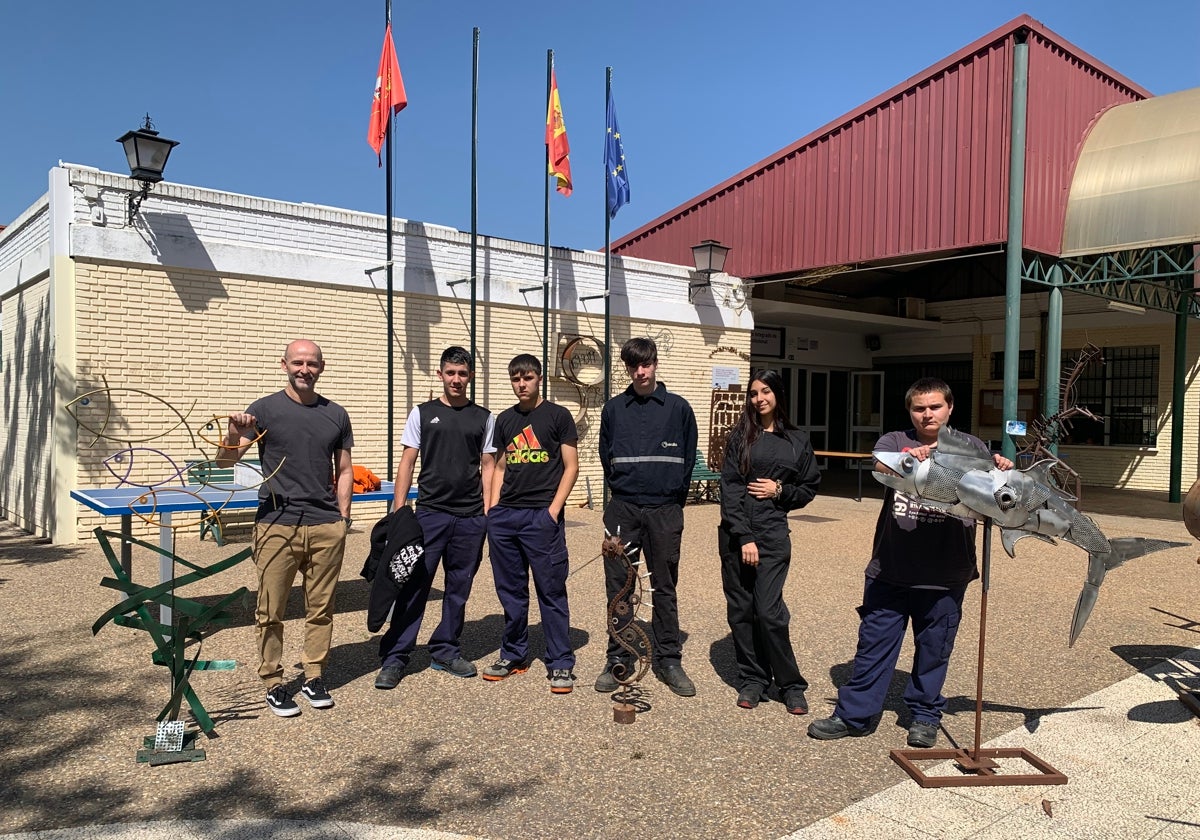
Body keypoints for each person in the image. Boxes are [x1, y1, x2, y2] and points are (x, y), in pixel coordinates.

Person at [807, 377, 1012, 747]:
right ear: (910, 411)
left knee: (934, 649)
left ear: (950, 408)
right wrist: (908, 460)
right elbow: (883, 468)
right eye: (919, 408)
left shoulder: (973, 448)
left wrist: (1001, 471)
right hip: (891, 568)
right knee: (873, 644)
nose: (927, 414)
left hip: (947, 571)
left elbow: (995, 497)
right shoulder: (894, 442)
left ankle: (924, 714)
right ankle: (855, 714)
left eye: (935, 407)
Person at [217, 339, 354, 718]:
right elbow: (226, 462)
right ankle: (273, 682)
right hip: (276, 524)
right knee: (271, 609)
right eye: (298, 362)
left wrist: (343, 518)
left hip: (325, 524)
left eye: (311, 363)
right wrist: (232, 433)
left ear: (322, 367)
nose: (304, 369)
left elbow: (344, 470)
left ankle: (313, 675)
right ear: (284, 365)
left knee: (321, 608)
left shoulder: (336, 415)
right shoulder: (263, 410)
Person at [374, 346, 496, 690]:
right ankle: (396, 656)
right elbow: (407, 462)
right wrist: (399, 509)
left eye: (462, 373)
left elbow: (488, 467)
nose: (456, 379)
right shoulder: (423, 414)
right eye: (450, 373)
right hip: (429, 514)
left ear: (470, 377)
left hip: (470, 519)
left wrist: (487, 514)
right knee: (414, 586)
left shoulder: (485, 418)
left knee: (458, 590)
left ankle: (445, 650)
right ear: (440, 375)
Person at [596, 337, 698, 697]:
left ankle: (669, 659)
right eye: (633, 366)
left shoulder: (679, 409)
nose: (640, 372)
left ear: (655, 364)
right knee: (619, 587)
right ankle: (618, 657)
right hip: (623, 508)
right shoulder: (613, 410)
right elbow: (607, 460)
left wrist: (669, 501)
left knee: (665, 586)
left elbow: (686, 464)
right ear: (626, 367)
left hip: (665, 510)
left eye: (647, 364)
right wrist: (628, 494)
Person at [719, 369, 820, 713]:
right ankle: (753, 679)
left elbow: (808, 487)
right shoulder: (741, 436)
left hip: (774, 534)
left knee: (769, 611)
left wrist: (780, 491)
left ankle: (791, 684)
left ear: (777, 394)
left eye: (765, 392)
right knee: (741, 611)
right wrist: (744, 535)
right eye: (753, 393)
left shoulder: (797, 440)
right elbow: (730, 488)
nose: (758, 399)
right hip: (737, 535)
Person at [482, 354, 580, 693]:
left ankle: (561, 662)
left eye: (527, 378)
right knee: (510, 592)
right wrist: (493, 511)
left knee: (551, 590)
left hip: (541, 516)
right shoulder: (505, 420)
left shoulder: (558, 416)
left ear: (539, 378)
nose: (521, 384)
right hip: (506, 517)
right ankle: (513, 654)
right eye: (515, 379)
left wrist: (553, 510)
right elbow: (499, 466)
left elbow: (571, 466)